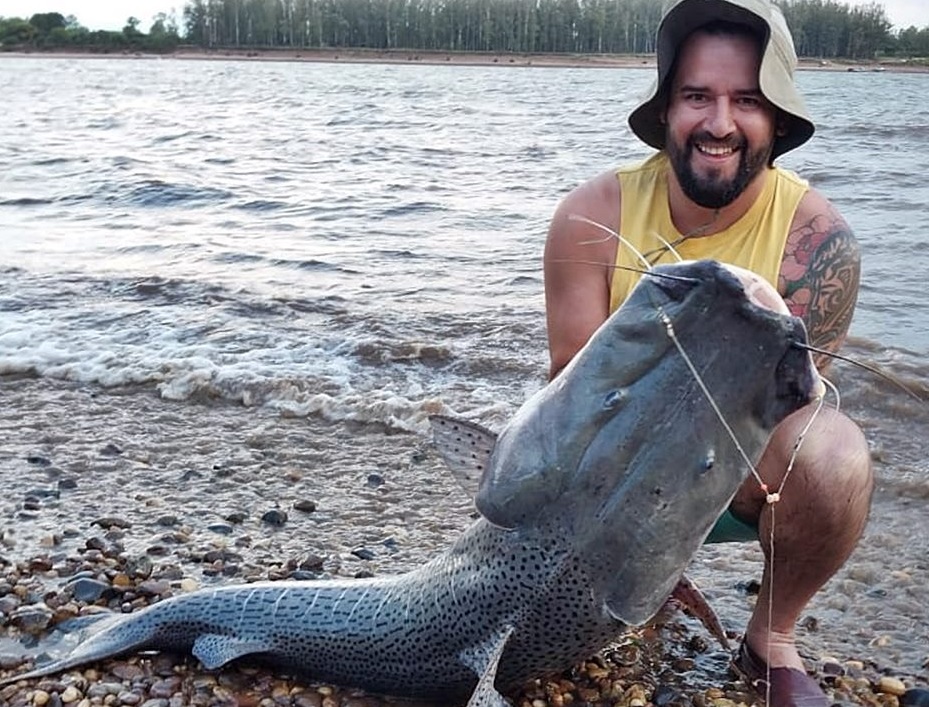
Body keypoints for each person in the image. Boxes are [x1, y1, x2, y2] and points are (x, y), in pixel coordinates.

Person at [542, 0, 874, 705]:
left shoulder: (818, 242)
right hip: (614, 470)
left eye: (746, 100)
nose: (719, 123)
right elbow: (571, 403)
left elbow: (791, 420)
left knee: (834, 453)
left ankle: (770, 635)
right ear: (664, 110)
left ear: (777, 120)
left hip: (736, 474)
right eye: (696, 95)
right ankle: (625, 585)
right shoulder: (589, 216)